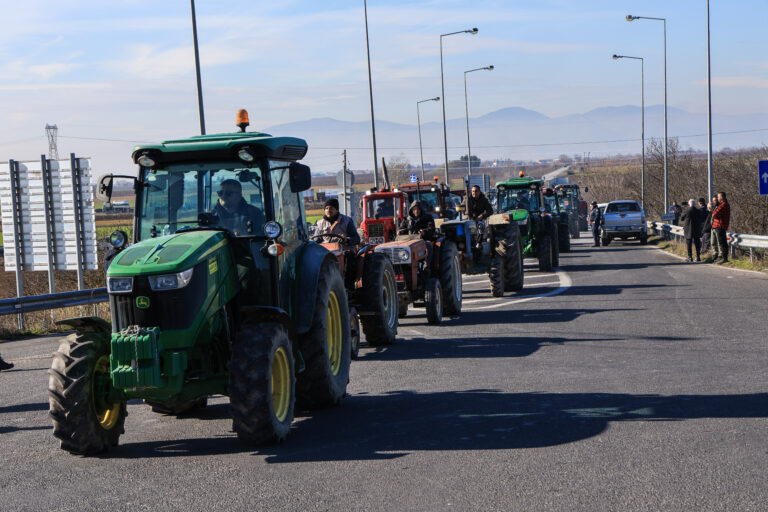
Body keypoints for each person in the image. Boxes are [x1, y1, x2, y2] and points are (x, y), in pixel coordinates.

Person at [710, 191, 730, 263]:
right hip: (717, 225)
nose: (717, 198)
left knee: (722, 242)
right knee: (720, 242)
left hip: (720, 225)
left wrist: (713, 213)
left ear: (722, 197)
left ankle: (724, 258)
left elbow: (715, 214)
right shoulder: (722, 205)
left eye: (718, 197)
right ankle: (721, 257)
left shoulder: (724, 205)